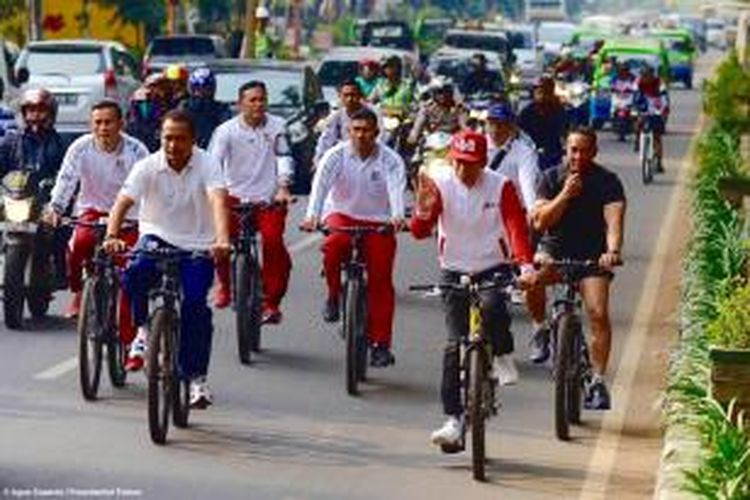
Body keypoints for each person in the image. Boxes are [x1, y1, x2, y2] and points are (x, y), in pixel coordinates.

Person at [409, 129, 537, 447]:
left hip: (491, 266)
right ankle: (453, 419)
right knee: (454, 347)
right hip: (453, 269)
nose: (465, 170)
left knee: (494, 307)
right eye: (459, 163)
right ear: (452, 160)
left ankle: (503, 353)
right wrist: (422, 211)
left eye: (472, 164)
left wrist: (525, 265)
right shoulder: (438, 181)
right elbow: (419, 231)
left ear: (482, 162)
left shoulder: (499, 185)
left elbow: (515, 226)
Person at [103, 109, 230, 408]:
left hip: (198, 243)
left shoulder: (207, 164)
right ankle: (143, 331)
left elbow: (218, 200)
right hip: (157, 236)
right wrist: (112, 235)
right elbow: (123, 202)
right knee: (135, 272)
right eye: (167, 138)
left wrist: (222, 240)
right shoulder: (148, 165)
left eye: (180, 139)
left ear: (193, 141)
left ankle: (197, 378)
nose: (172, 146)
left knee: (195, 306)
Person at [527, 128, 626, 410]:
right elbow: (540, 222)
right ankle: (540, 328)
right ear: (565, 150)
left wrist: (612, 252)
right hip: (553, 253)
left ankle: (596, 379)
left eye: (584, 150)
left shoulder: (608, 181)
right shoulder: (550, 178)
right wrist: (565, 195)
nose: (577, 156)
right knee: (531, 280)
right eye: (573, 149)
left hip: (591, 258)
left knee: (598, 312)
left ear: (594, 152)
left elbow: (614, 222)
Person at [300, 108, 406, 368]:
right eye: (355, 130)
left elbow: (396, 190)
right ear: (349, 132)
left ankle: (381, 344)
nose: (361, 135)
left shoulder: (391, 160)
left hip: (378, 223)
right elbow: (320, 187)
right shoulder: (335, 156)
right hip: (342, 216)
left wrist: (397, 216)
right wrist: (312, 216)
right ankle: (334, 295)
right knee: (333, 248)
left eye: (366, 130)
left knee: (381, 281)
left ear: (376, 132)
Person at [45, 99, 149, 322]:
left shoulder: (137, 150)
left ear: (121, 123)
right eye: (98, 123)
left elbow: (149, 186)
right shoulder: (80, 147)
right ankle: (79, 292)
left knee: (129, 268)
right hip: (91, 212)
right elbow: (66, 180)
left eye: (109, 122)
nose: (103, 128)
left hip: (129, 217)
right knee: (79, 245)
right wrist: (56, 208)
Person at [208, 81, 294, 323]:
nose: (258, 105)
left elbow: (284, 156)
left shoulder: (278, 126)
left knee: (273, 242)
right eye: (252, 100)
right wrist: (213, 193)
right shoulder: (225, 131)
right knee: (219, 240)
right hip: (233, 198)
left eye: (262, 100)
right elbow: (212, 165)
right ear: (240, 104)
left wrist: (283, 187)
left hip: (268, 199)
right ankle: (224, 284)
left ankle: (271, 302)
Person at [485, 102, 540, 211]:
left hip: (512, 208)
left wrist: (532, 212)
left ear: (511, 127)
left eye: (500, 125)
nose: (495, 130)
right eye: (491, 124)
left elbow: (528, 186)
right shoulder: (479, 145)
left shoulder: (524, 153)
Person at [314, 79, 379, 164]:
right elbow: (326, 139)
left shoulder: (373, 112)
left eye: (353, 95)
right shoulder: (336, 115)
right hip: (343, 158)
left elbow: (381, 138)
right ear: (340, 96)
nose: (349, 99)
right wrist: (318, 159)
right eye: (346, 95)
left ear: (360, 96)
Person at [518, 75, 568, 171]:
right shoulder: (527, 112)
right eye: (539, 92)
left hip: (553, 155)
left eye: (546, 92)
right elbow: (519, 134)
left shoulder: (559, 110)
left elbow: (565, 131)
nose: (542, 96)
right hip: (531, 155)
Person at [179, 67, 231, 149]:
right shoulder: (183, 107)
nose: (200, 93)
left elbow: (226, 134)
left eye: (205, 89)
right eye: (197, 88)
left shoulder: (221, 109)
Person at [635, 65, 669, 171]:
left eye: (647, 75)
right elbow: (635, 97)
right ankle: (637, 141)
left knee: (657, 137)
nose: (645, 78)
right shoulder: (638, 83)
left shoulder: (660, 84)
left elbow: (665, 99)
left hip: (656, 108)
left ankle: (659, 162)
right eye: (643, 75)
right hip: (644, 107)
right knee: (638, 122)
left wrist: (664, 111)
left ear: (652, 75)